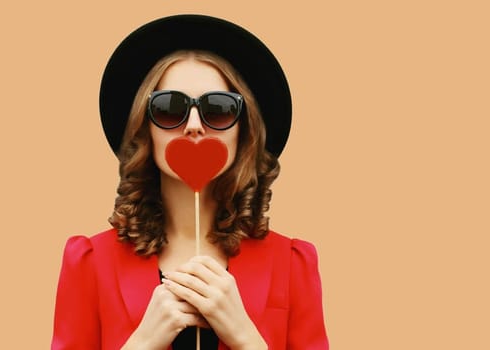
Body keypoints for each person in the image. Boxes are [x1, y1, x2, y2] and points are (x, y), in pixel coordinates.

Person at [52, 15, 328, 350]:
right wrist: (142, 343)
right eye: (169, 108)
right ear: (145, 128)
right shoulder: (90, 263)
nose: (194, 125)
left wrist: (246, 338)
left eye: (218, 109)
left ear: (243, 131)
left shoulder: (292, 263)